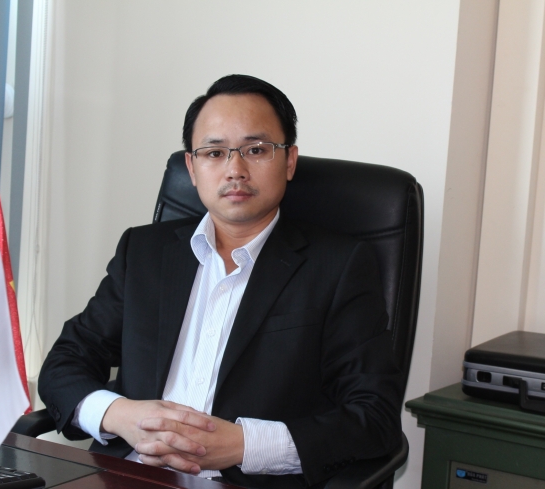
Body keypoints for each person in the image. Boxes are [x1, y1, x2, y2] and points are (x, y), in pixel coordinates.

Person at [38, 74, 402, 488]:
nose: (235, 170)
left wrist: (244, 445)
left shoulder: (338, 267)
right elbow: (66, 361)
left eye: (256, 150)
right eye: (214, 153)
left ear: (289, 161)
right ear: (192, 168)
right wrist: (120, 415)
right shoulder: (144, 253)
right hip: (128, 475)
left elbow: (374, 417)